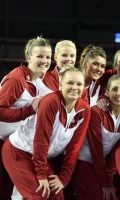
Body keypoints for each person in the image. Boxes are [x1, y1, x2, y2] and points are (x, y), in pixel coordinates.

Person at [2, 68, 90, 199]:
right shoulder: (51, 101)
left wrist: (64, 178)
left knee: (57, 196)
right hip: (18, 151)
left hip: (40, 157)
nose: (74, 87)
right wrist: (41, 174)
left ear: (83, 87)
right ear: (61, 84)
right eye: (70, 83)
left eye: (79, 84)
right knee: (39, 196)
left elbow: (74, 147)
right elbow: (41, 140)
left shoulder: (85, 110)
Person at [0, 36, 52, 200]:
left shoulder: (37, 80)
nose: (44, 61)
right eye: (40, 56)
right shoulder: (17, 79)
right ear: (28, 57)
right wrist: (30, 110)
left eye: (48, 57)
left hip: (16, 142)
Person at [73, 75, 120, 200]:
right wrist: (105, 183)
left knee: (111, 196)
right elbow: (96, 150)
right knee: (99, 196)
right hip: (83, 160)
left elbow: (118, 151)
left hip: (103, 165)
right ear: (107, 92)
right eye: (114, 89)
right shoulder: (96, 112)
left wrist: (109, 178)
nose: (119, 93)